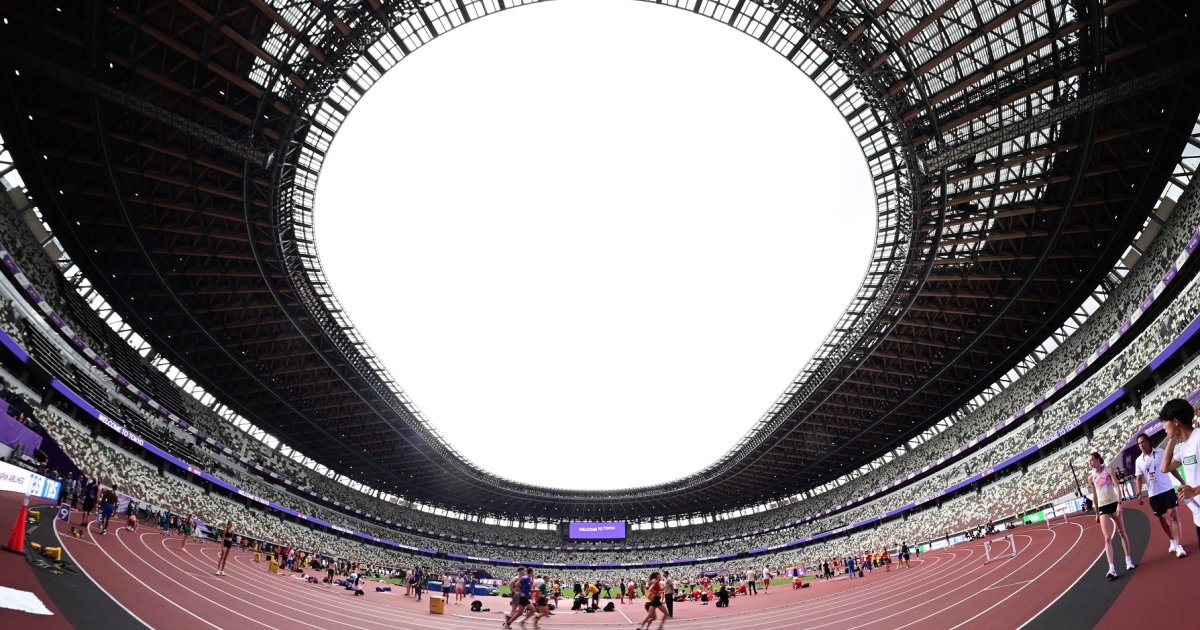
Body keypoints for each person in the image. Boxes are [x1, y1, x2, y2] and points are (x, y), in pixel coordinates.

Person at [1133, 431, 1187, 557]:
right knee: (1161, 518)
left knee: (1173, 514)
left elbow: (1171, 469)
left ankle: (1179, 545)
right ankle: (1172, 540)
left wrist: (1182, 481)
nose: (1141, 445)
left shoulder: (1161, 452)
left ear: (1148, 441)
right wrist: (1139, 493)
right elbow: (1139, 478)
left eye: (1143, 442)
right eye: (1139, 444)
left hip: (1167, 489)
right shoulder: (1138, 461)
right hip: (1154, 494)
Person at [1160, 398, 1200, 553]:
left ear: (1176, 421)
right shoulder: (1184, 447)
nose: (1164, 427)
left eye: (1165, 422)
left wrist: (1195, 491)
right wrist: (1173, 438)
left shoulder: (1199, 438)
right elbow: (1165, 467)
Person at [1088, 451, 1135, 579]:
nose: (1090, 463)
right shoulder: (1091, 477)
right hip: (1102, 506)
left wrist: (1119, 504)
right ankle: (1112, 568)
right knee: (1107, 537)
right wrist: (1096, 513)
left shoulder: (1109, 470)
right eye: (1089, 461)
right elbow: (1095, 496)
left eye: (1091, 460)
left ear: (1098, 459)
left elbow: (1117, 487)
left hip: (1114, 503)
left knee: (1121, 532)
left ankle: (1128, 559)